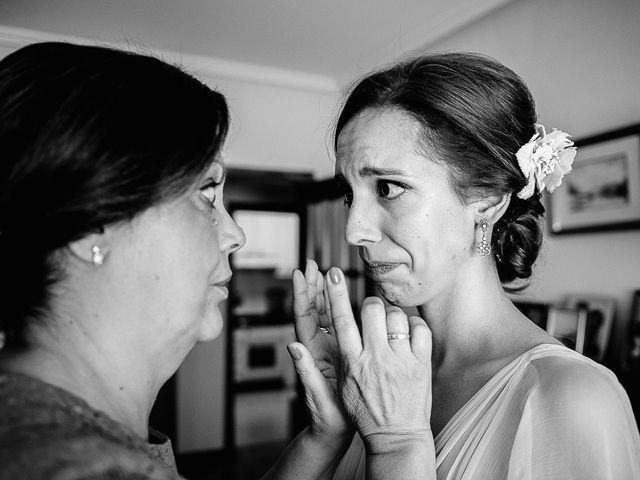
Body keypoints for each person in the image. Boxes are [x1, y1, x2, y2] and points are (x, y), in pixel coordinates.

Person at [0, 42, 432, 480]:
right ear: (89, 226)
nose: (235, 234)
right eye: (206, 194)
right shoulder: (74, 466)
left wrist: (324, 436)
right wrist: (398, 445)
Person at [291, 52, 640, 479]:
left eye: (387, 187)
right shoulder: (372, 373)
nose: (353, 230)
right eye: (350, 195)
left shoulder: (574, 398)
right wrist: (326, 431)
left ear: (488, 199)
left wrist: (395, 446)